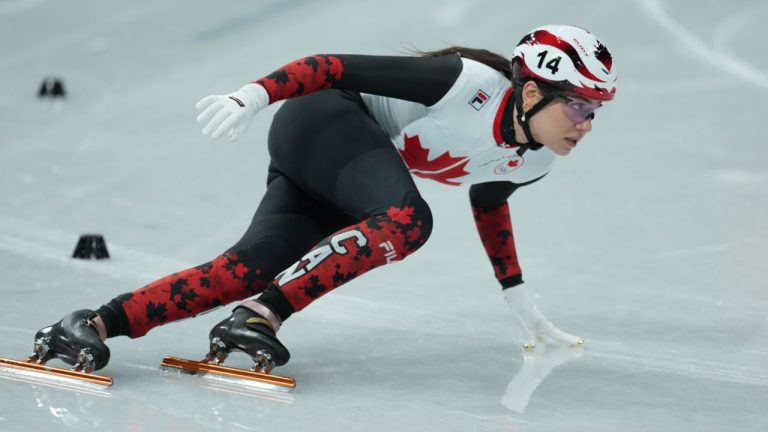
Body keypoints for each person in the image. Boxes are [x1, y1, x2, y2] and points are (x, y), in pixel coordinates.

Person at [30, 24, 617, 374]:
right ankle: (262, 316)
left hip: (353, 165)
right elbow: (333, 65)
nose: (587, 123)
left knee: (245, 269)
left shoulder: (534, 158)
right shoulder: (466, 84)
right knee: (408, 221)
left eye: (596, 110)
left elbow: (490, 206)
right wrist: (253, 95)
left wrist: (518, 299)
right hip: (324, 120)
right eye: (580, 106)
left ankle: (91, 324)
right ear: (533, 91)